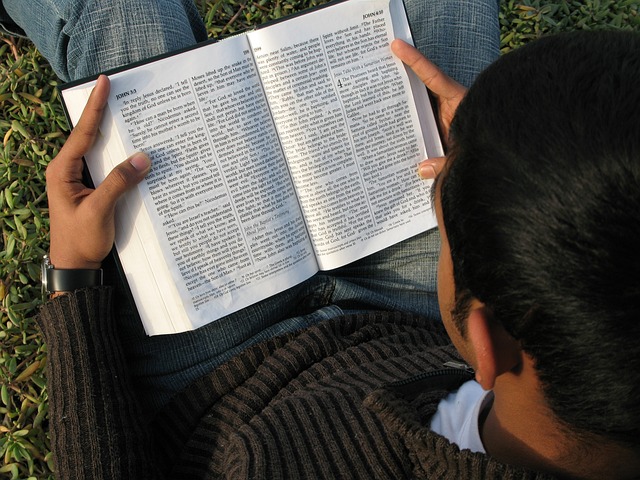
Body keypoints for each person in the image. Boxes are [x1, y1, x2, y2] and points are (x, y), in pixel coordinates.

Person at [7, 2, 640, 480]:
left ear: (488, 341)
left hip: (217, 371)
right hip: (413, 321)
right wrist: (497, 165)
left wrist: (72, 277)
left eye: (451, 219)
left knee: (122, 13)